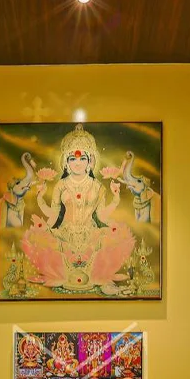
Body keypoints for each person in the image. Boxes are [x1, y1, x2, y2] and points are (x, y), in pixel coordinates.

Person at [21, 124, 135, 295]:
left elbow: (101, 216)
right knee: (39, 242)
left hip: (91, 236)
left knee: (115, 242)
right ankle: (65, 276)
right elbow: (54, 215)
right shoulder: (61, 186)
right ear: (66, 163)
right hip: (65, 235)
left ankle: (98, 278)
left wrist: (116, 198)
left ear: (90, 162)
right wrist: (40, 198)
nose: (78, 163)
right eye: (72, 159)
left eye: (82, 158)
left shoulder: (97, 186)